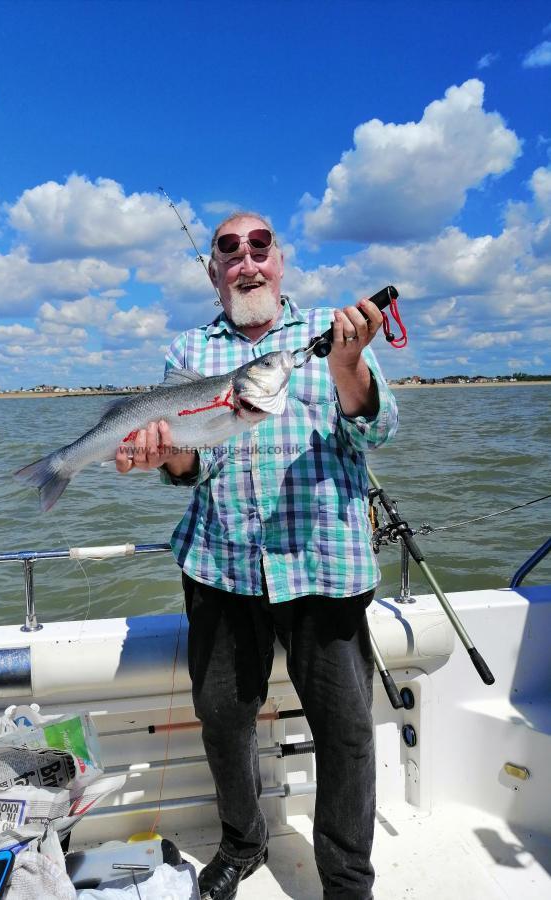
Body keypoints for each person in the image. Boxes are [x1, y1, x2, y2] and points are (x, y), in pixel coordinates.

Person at [116, 213, 398, 899]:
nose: (246, 262)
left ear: (280, 263)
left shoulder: (332, 337)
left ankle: (346, 877)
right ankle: (241, 846)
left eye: (259, 248)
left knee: (346, 735)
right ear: (213, 271)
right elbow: (185, 470)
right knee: (222, 723)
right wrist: (165, 454)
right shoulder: (186, 353)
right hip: (221, 567)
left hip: (322, 566)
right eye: (229, 251)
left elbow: (378, 431)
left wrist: (348, 363)